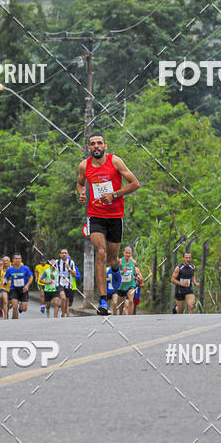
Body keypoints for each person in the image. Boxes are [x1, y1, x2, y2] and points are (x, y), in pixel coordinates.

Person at [77, 134, 140, 315]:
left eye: (99, 143)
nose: (96, 146)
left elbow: (135, 183)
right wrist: (82, 193)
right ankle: (103, 300)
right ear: (89, 148)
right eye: (92, 144)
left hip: (115, 216)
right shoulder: (84, 165)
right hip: (95, 215)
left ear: (105, 146)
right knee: (101, 253)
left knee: (113, 258)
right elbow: (80, 184)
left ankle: (115, 269)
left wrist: (114, 194)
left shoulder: (115, 161)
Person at [114, 246, 144, 315]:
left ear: (131, 254)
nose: (128, 254)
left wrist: (138, 276)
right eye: (126, 253)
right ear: (123, 253)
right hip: (121, 286)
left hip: (131, 284)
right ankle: (121, 314)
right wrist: (122, 271)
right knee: (121, 304)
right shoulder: (120, 262)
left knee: (130, 301)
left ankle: (131, 317)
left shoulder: (133, 262)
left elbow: (135, 271)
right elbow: (115, 273)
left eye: (129, 253)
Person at [4, 253, 33, 319]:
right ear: (13, 260)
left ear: (21, 260)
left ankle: (21, 306)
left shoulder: (25, 268)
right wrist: (5, 283)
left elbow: (31, 277)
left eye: (19, 258)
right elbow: (6, 278)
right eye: (16, 258)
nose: (18, 260)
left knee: (24, 308)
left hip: (23, 289)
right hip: (14, 289)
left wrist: (27, 286)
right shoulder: (10, 269)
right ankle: (15, 322)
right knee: (14, 306)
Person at [56, 248, 77, 317]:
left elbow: (74, 274)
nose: (64, 254)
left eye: (65, 253)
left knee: (67, 301)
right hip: (59, 283)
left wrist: (69, 268)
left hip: (68, 284)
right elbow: (52, 268)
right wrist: (52, 275)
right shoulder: (57, 262)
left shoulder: (71, 262)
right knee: (63, 298)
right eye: (62, 253)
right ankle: (62, 313)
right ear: (60, 255)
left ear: (67, 254)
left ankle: (65, 313)